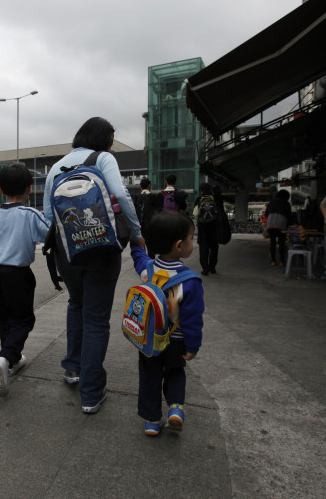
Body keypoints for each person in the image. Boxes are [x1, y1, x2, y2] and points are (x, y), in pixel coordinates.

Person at [43, 117, 143, 414]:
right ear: (104, 140)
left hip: (67, 251)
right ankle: (91, 393)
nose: (112, 144)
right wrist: (137, 234)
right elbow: (122, 194)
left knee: (77, 304)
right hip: (100, 249)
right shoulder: (103, 158)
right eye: (111, 139)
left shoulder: (57, 167)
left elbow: (50, 214)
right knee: (97, 318)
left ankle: (72, 369)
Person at [0, 163, 51, 397]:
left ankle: (12, 360)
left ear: (0, 190)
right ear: (29, 189)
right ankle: (5, 359)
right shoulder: (30, 214)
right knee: (23, 320)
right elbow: (51, 235)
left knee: (6, 319)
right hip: (18, 275)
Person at [130, 211, 204, 436]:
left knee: (150, 378)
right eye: (192, 238)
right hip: (176, 341)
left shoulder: (147, 269)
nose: (193, 242)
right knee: (175, 373)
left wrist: (136, 241)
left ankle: (152, 421)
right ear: (180, 245)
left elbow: (138, 255)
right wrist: (193, 346)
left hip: (149, 340)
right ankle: (175, 408)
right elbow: (192, 319)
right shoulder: (190, 282)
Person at [193, 182, 218, 276]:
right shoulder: (214, 199)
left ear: (201, 190)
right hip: (213, 227)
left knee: (204, 248)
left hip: (203, 228)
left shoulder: (199, 199)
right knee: (214, 247)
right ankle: (212, 267)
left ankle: (205, 269)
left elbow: (195, 213)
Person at [264, 189, 292, 266]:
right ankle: (282, 262)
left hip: (271, 225)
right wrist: (288, 225)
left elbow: (266, 214)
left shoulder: (271, 202)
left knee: (272, 243)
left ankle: (273, 261)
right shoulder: (286, 203)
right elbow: (289, 215)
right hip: (281, 225)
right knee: (281, 243)